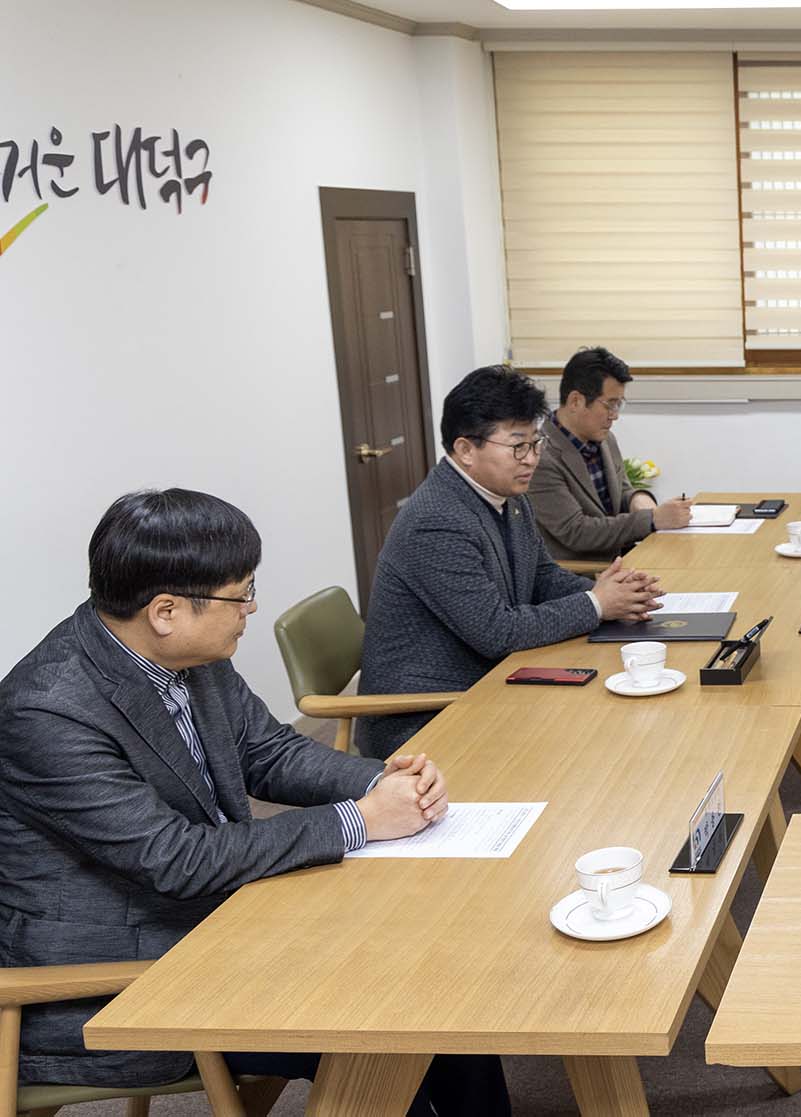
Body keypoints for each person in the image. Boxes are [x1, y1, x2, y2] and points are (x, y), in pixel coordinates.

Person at [0, 490, 506, 1113]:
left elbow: (268, 751)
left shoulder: (187, 652)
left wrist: (377, 783)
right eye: (240, 594)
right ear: (164, 611)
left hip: (217, 920)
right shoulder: (48, 710)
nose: (251, 608)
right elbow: (174, 859)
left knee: (437, 969)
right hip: (121, 981)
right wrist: (359, 822)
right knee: (410, 1009)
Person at [358, 366, 660, 759]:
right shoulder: (436, 521)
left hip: (492, 681)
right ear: (466, 449)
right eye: (518, 446)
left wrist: (616, 594)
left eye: (536, 444)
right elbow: (496, 631)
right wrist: (598, 603)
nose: (531, 459)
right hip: (426, 716)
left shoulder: (507, 495)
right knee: (595, 743)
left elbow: (541, 575)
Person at [531, 346, 694, 561]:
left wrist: (639, 498)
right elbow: (577, 532)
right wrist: (652, 519)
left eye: (619, 404)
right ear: (575, 401)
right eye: (610, 404)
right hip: (585, 573)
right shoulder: (540, 456)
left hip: (622, 558)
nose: (615, 416)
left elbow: (621, 493)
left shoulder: (605, 439)